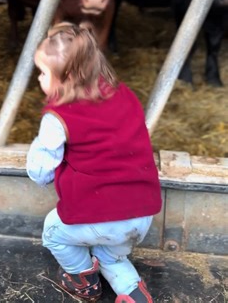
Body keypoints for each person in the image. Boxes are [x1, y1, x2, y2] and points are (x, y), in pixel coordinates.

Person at [26, 22, 162, 303]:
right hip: (142, 214)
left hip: (98, 215)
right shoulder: (125, 95)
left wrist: (41, 163)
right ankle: (131, 290)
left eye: (42, 72)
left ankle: (83, 280)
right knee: (112, 253)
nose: (39, 79)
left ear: (69, 75)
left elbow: (40, 170)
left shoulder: (58, 116)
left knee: (53, 233)